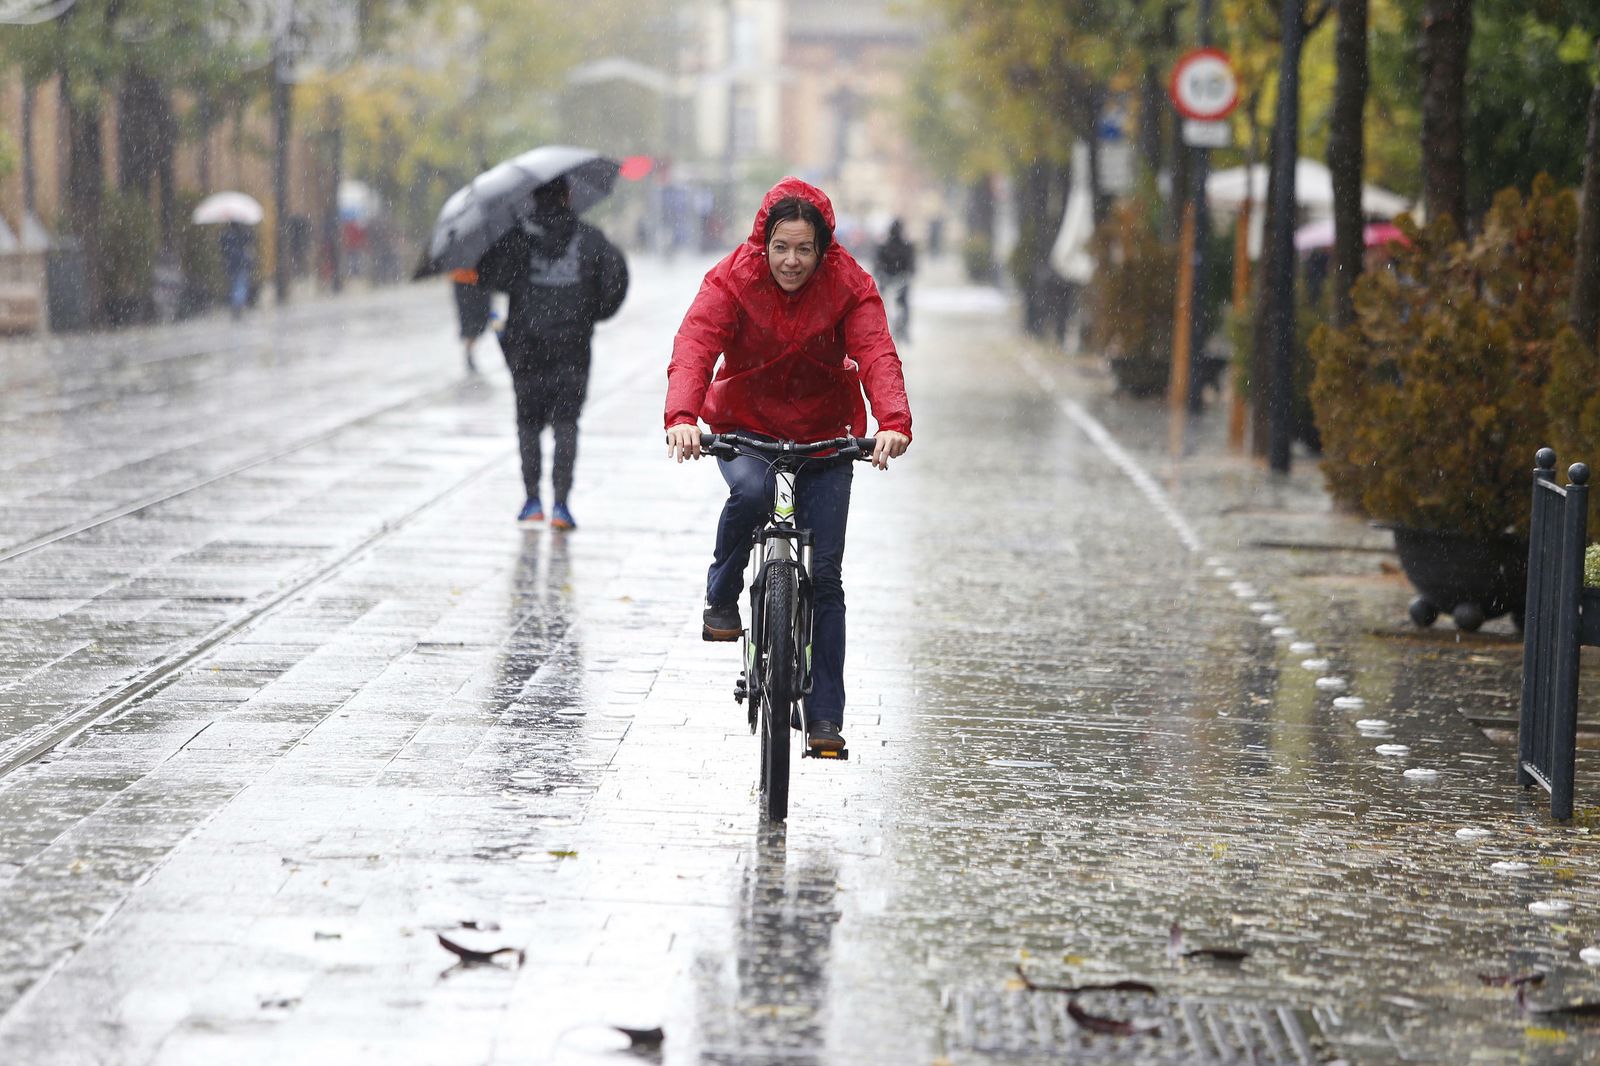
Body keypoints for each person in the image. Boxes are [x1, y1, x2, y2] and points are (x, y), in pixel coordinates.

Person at [664, 178, 912, 753]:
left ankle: (825, 717)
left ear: (823, 248)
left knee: (825, 576)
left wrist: (893, 421)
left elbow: (876, 351)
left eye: (804, 249)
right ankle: (722, 598)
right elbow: (696, 342)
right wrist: (682, 414)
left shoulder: (850, 285)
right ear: (763, 243)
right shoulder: (732, 278)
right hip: (748, 429)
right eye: (781, 247)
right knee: (749, 499)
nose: (792, 261)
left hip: (826, 439)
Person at [477, 177, 629, 530]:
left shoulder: (518, 238)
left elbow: (491, 276)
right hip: (572, 347)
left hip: (526, 346)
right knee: (566, 423)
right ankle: (561, 505)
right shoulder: (590, 237)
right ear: (568, 196)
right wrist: (592, 312)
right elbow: (615, 280)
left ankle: (532, 500)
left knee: (528, 423)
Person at [873, 218, 916, 341]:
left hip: (891, 281)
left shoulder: (885, 245)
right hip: (897, 281)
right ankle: (904, 330)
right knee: (903, 304)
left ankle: (882, 329)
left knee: (881, 304)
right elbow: (911, 265)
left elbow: (878, 264)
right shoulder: (906, 246)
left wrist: (881, 274)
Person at [449, 267, 492, 373]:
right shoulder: (458, 258)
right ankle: (469, 351)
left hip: (482, 281)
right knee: (469, 322)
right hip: (463, 283)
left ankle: (470, 349)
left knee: (482, 319)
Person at [218, 221, 253, 320]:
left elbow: (222, 248)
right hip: (241, 263)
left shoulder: (226, 235)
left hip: (230, 264)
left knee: (234, 284)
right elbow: (249, 240)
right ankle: (238, 303)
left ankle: (235, 303)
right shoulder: (242, 233)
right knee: (240, 284)